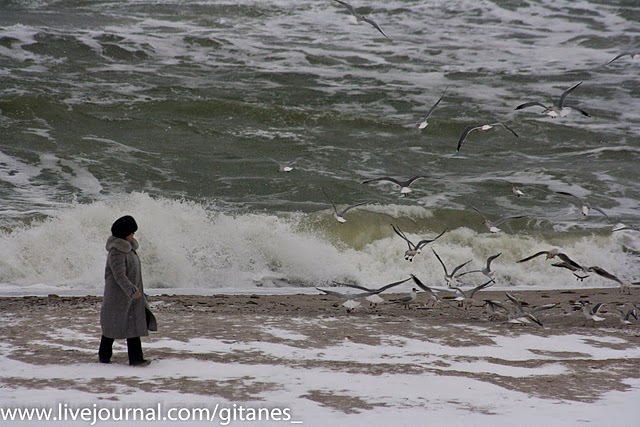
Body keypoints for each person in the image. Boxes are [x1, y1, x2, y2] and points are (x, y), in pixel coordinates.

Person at [98, 215, 157, 366]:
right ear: (124, 233)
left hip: (132, 296)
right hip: (118, 296)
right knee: (111, 327)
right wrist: (131, 290)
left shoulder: (129, 250)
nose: (133, 235)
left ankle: (136, 359)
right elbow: (119, 276)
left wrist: (137, 292)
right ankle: (104, 356)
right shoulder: (117, 252)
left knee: (133, 327)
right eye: (131, 233)